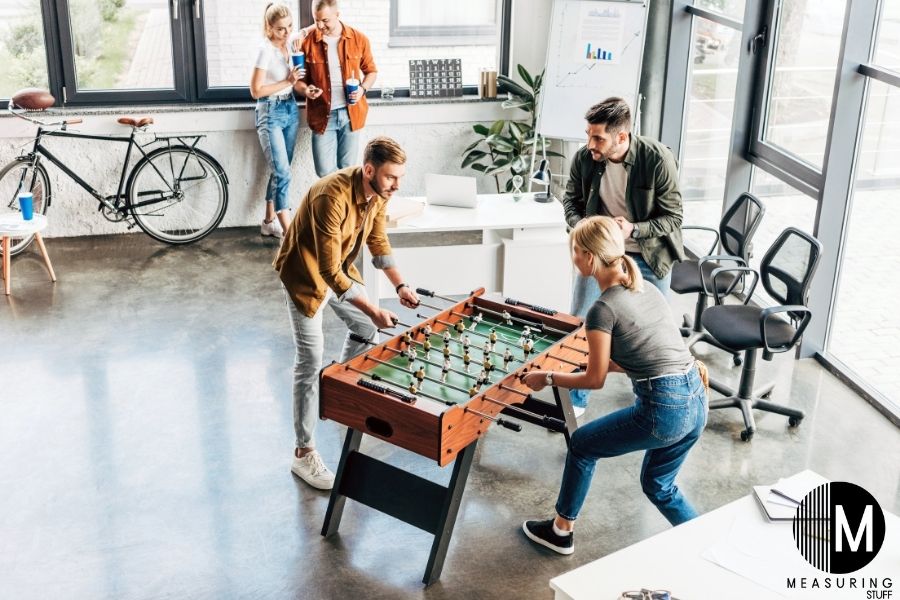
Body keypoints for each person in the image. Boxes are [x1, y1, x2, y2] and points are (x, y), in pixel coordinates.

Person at [520, 216, 707, 555]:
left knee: (581, 444)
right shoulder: (645, 288)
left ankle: (561, 532)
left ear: (589, 258)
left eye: (575, 250)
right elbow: (642, 356)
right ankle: (708, 546)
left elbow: (595, 380)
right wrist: (583, 363)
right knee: (659, 486)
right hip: (696, 401)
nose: (573, 257)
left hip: (664, 410)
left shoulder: (602, 309)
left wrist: (546, 378)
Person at [274, 136, 419, 490]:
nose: (397, 186)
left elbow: (378, 242)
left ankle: (335, 392)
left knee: (366, 332)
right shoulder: (331, 196)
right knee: (310, 361)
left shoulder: (378, 195)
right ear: (369, 170)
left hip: (339, 273)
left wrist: (400, 286)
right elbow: (328, 272)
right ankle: (302, 453)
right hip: (307, 278)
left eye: (400, 177)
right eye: (390, 178)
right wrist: (373, 308)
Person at [562, 97, 685, 414]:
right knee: (580, 325)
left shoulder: (656, 159)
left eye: (598, 137)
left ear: (621, 136)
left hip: (650, 255)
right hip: (602, 255)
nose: (591, 143)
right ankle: (576, 401)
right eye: (589, 134)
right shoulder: (586, 159)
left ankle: (648, 399)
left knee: (649, 334)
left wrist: (633, 229)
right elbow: (570, 203)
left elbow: (673, 218)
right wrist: (589, 230)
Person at [294, 0, 377, 177]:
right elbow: (298, 81)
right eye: (316, 20)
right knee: (324, 172)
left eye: (325, 20)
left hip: (351, 114)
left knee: (348, 170)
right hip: (323, 114)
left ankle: (343, 205)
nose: (319, 25)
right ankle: (332, 202)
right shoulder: (307, 43)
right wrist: (306, 90)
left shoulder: (358, 39)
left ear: (337, 15)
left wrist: (362, 89)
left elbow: (371, 72)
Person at [250, 3, 306, 239]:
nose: (286, 32)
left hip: (290, 109)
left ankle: (268, 221)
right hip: (270, 112)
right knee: (282, 173)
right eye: (280, 29)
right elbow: (256, 91)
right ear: (269, 28)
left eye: (289, 26)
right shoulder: (265, 50)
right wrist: (289, 81)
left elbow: (307, 30)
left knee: (280, 170)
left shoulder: (290, 45)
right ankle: (288, 230)